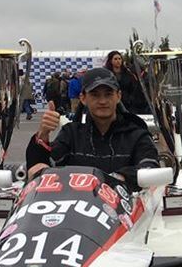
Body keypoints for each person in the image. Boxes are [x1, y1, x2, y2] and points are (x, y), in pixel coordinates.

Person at [25, 67, 159, 182]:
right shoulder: (71, 133)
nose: (102, 101)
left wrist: (117, 179)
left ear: (118, 96)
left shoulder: (137, 135)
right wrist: (43, 134)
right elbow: (41, 166)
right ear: (83, 98)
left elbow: (150, 167)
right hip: (76, 203)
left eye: (108, 94)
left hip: (127, 202)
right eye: (95, 95)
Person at [104, 50, 147, 117]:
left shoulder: (128, 73)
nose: (118, 61)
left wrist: (130, 99)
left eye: (119, 59)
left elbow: (133, 88)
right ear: (111, 61)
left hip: (128, 104)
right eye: (115, 59)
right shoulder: (107, 74)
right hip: (112, 103)